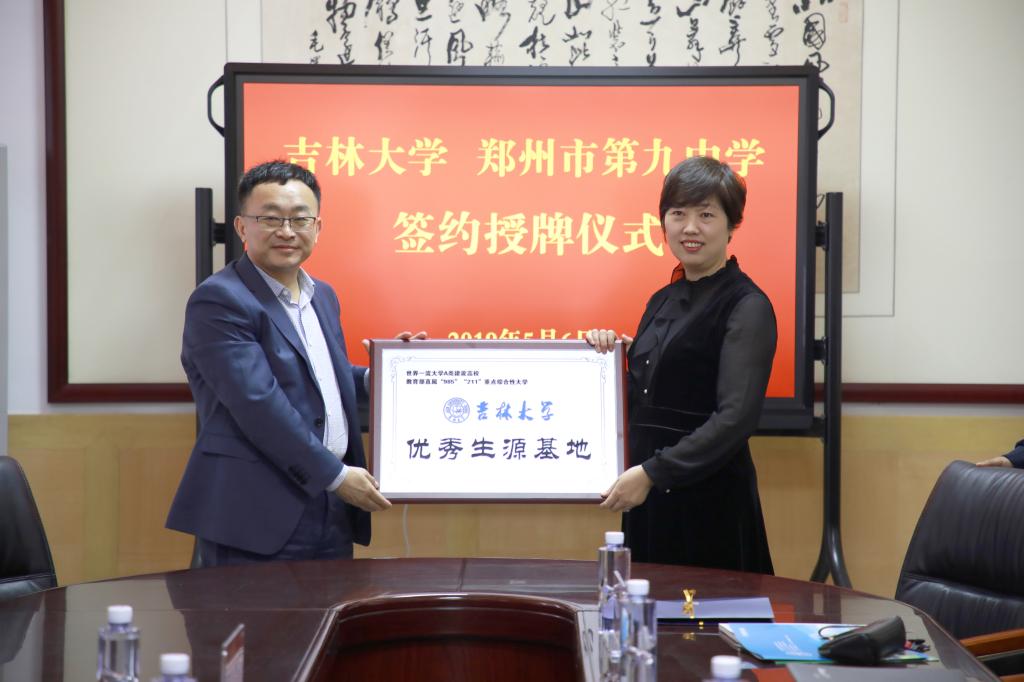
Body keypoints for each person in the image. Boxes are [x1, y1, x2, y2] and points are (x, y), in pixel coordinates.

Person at [167, 161, 417, 566]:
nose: (286, 231)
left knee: (332, 608)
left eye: (300, 219)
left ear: (317, 227)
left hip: (330, 507)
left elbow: (322, 381)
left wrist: (390, 377)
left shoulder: (323, 296)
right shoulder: (220, 300)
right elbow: (257, 403)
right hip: (255, 512)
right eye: (270, 218)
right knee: (254, 611)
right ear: (242, 227)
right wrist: (336, 476)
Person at [586, 156, 776, 574]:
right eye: (678, 214)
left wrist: (653, 473)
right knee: (647, 607)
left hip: (709, 501)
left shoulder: (747, 305)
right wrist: (603, 362)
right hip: (649, 496)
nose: (690, 228)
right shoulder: (661, 300)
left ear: (732, 224)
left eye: (706, 215)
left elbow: (735, 419)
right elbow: (646, 398)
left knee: (705, 612)